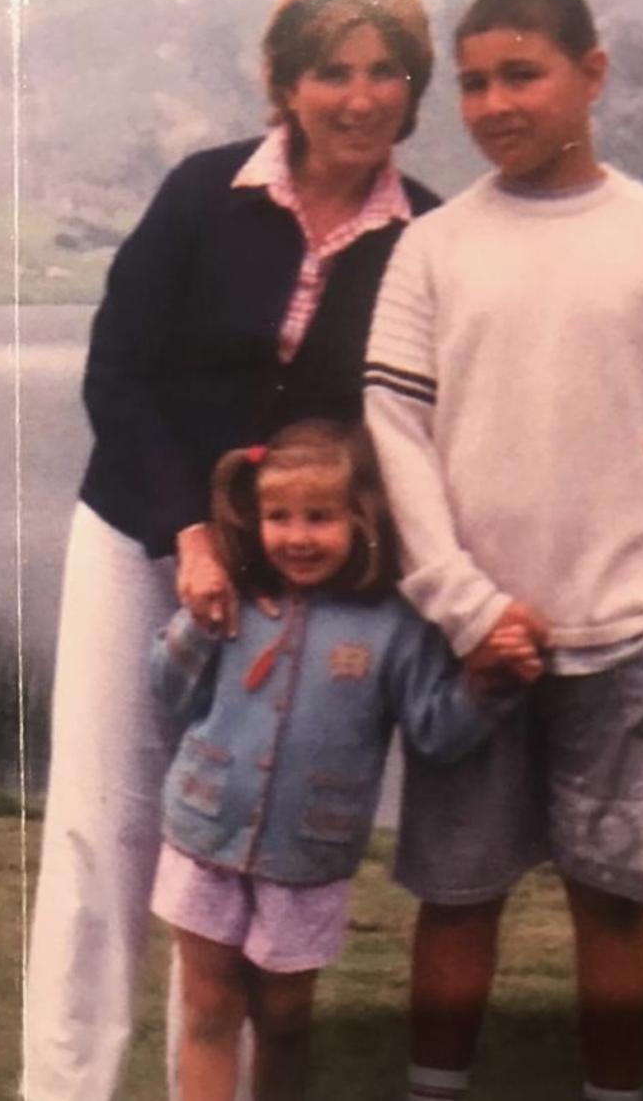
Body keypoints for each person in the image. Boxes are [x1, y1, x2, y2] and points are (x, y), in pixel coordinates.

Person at [23, 0, 438, 1101]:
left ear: (413, 86)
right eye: (332, 71)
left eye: (384, 70)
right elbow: (118, 372)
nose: (360, 97)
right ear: (285, 85)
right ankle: (68, 1087)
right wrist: (188, 534)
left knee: (232, 847)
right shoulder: (205, 193)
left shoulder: (428, 234)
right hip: (139, 533)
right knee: (107, 826)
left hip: (293, 573)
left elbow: (446, 412)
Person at [365, 0, 643, 1101]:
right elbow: (397, 435)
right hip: (470, 650)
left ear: (592, 73)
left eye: (522, 74)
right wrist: (463, 605)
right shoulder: (434, 247)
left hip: (632, 635)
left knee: (614, 900)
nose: (495, 103)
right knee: (455, 894)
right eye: (477, 81)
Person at [149, 419, 525, 1101]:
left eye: (319, 517)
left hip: (308, 859)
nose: (296, 536)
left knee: (286, 1020)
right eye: (278, 516)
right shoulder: (233, 599)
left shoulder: (393, 626)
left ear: (364, 518)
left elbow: (436, 732)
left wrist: (485, 686)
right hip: (202, 834)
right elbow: (169, 693)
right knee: (208, 1011)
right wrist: (194, 625)